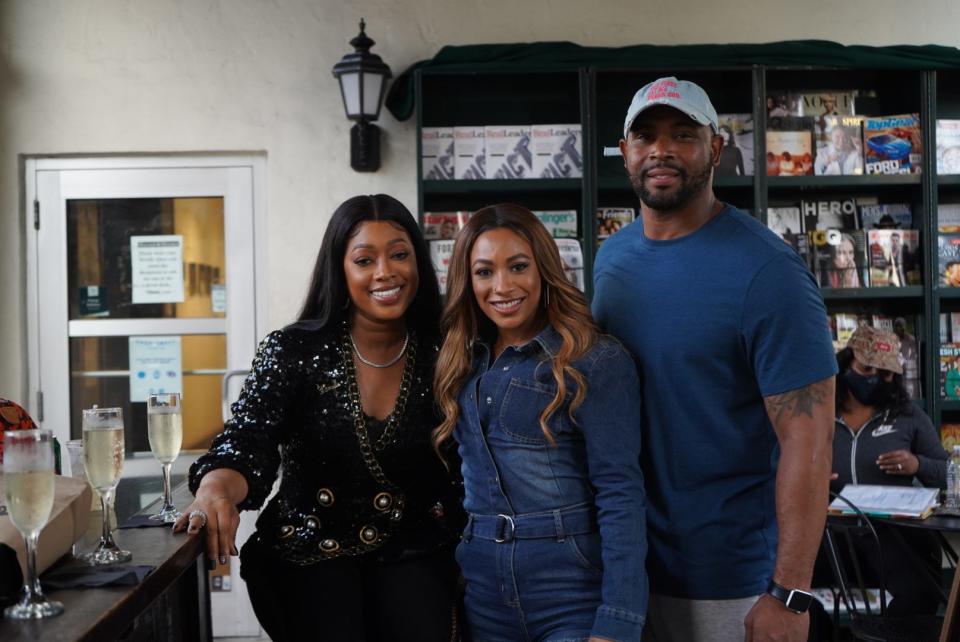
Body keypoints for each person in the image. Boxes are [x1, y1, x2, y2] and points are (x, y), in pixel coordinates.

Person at [593, 76, 837, 641]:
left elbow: (811, 439)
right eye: (645, 136)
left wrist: (790, 595)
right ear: (626, 152)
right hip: (626, 572)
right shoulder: (612, 259)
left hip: (735, 583)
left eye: (683, 134)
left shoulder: (769, 272)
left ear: (716, 150)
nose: (661, 150)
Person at [174, 194, 462, 642]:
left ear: (418, 263)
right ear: (340, 269)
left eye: (400, 254)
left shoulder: (447, 349)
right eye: (365, 259)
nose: (385, 272)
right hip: (309, 548)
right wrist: (214, 490)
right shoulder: (292, 350)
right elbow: (248, 440)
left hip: (415, 549)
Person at [434, 203, 647, 642]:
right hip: (482, 593)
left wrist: (618, 619)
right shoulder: (461, 364)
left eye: (517, 267)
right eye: (484, 272)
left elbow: (621, 494)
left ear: (544, 270)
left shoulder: (594, 360)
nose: (502, 286)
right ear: (467, 281)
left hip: (571, 590)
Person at [829, 325, 948, 616]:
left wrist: (917, 464)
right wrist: (810, 480)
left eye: (885, 374)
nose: (875, 379)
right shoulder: (819, 413)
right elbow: (781, 466)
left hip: (893, 536)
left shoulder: (908, 416)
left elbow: (947, 473)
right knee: (798, 599)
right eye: (867, 369)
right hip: (829, 536)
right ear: (847, 364)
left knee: (919, 594)